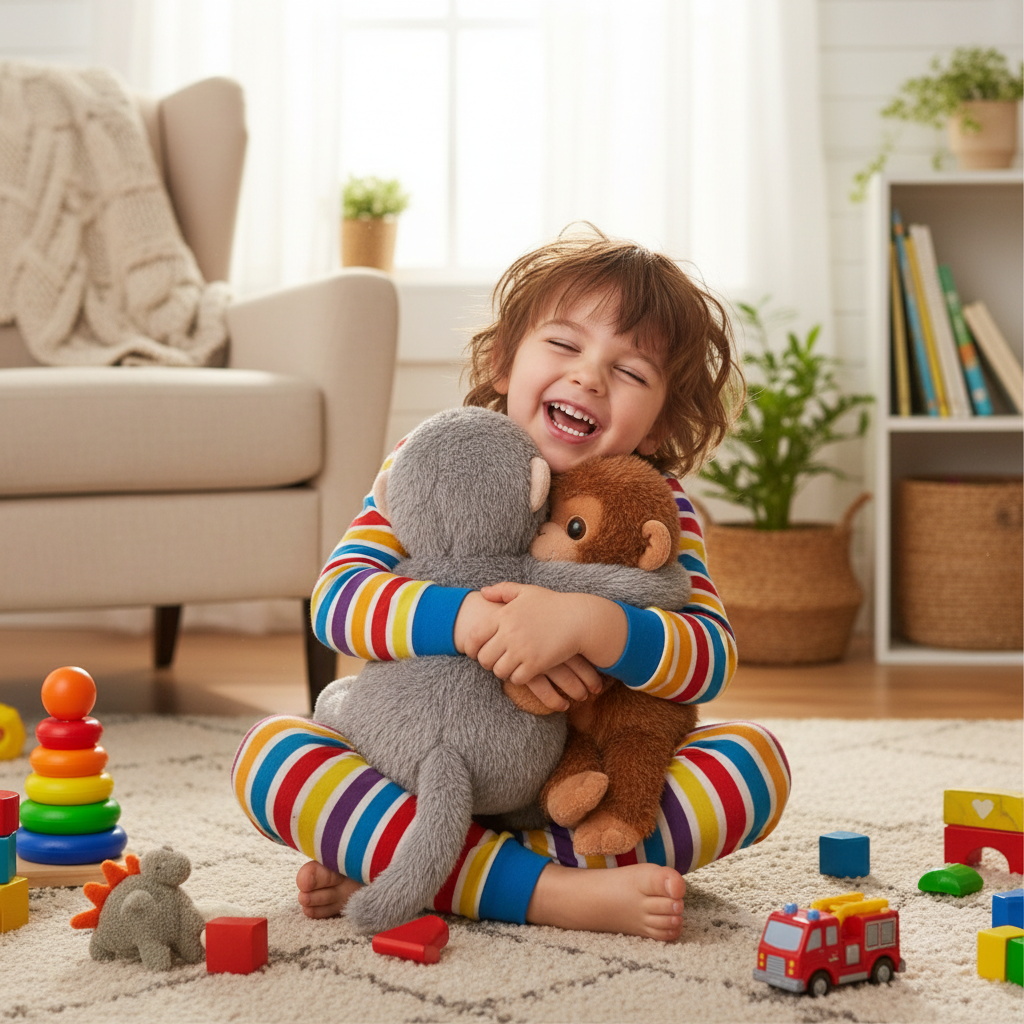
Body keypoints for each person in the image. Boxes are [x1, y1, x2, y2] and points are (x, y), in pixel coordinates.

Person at [231, 229, 791, 942]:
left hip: (574, 793)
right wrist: (470, 622)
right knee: (269, 756)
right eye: (564, 344)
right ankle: (552, 892)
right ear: (503, 362)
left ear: (661, 424)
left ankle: (421, 866)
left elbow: (709, 657)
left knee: (753, 767)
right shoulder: (430, 459)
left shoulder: (660, 507)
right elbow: (340, 600)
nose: (589, 376)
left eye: (632, 372)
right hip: (416, 772)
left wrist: (590, 626)